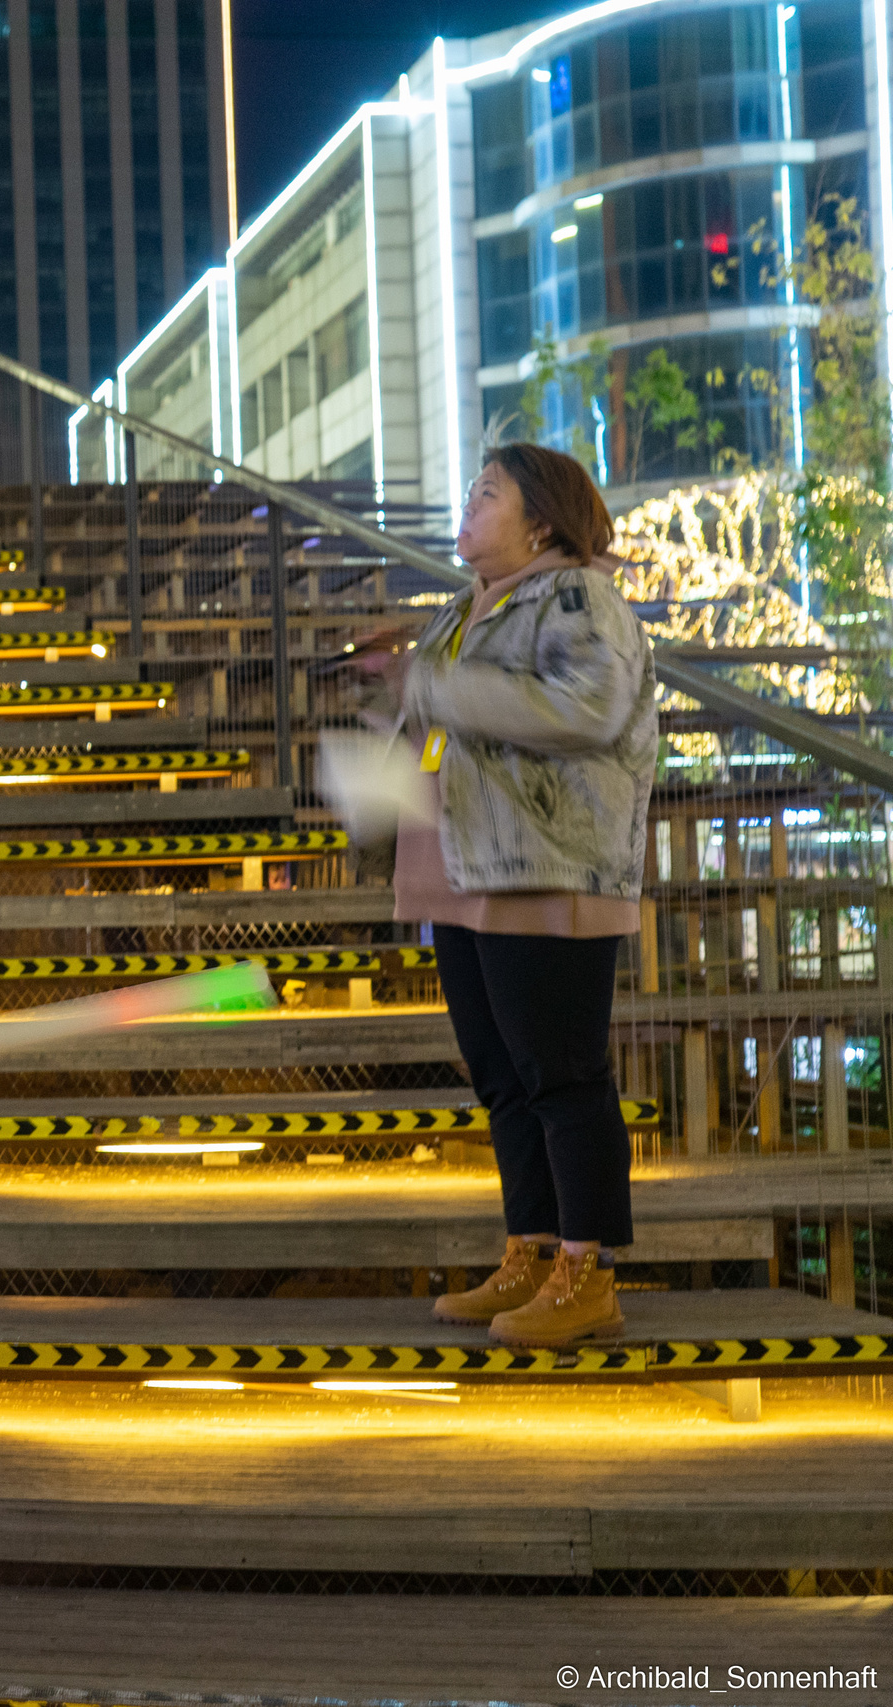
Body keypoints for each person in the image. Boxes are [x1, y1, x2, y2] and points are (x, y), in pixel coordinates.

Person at [371, 443, 657, 1350]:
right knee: (502, 1079)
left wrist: (441, 689)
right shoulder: (461, 612)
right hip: (463, 873)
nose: (468, 503)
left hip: (547, 870)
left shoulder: (578, 599)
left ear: (539, 523)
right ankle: (530, 1251)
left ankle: (588, 1272)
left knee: (562, 1075)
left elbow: (587, 709)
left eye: (487, 492)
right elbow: (438, 725)